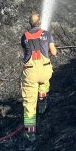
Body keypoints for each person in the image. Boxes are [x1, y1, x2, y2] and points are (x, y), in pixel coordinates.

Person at [21, 12, 57, 142]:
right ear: (40, 22)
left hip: (31, 72)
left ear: (30, 23)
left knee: (29, 103)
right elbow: (53, 52)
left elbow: (25, 54)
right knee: (44, 84)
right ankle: (42, 105)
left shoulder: (24, 37)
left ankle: (30, 133)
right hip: (45, 69)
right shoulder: (46, 34)